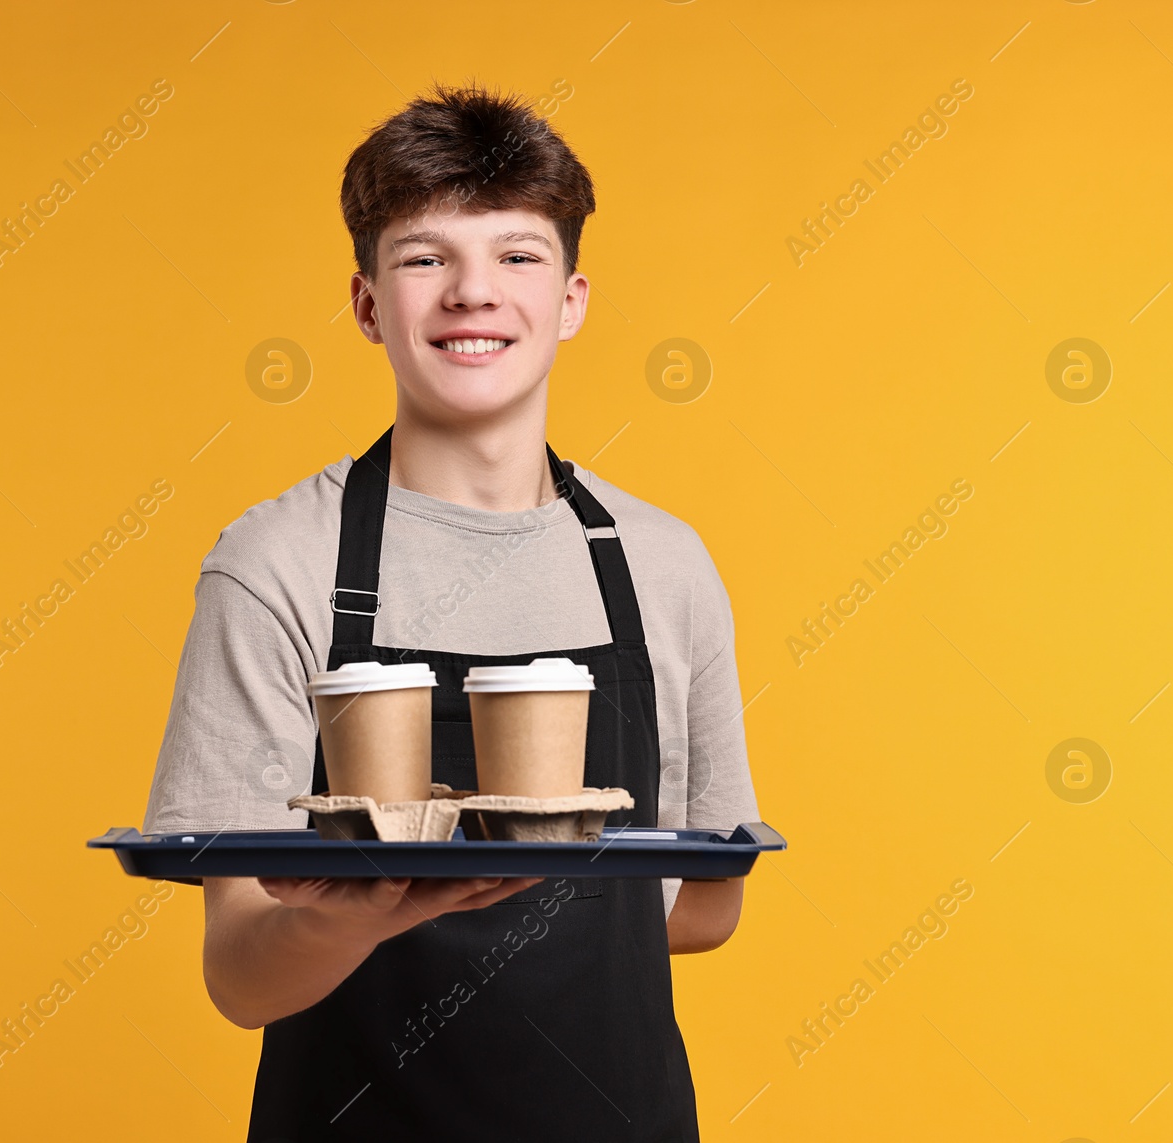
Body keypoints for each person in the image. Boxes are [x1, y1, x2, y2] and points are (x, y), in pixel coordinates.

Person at [142, 81, 760, 1142]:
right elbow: (239, 973)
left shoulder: (663, 565)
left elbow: (709, 900)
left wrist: (539, 902)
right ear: (369, 303)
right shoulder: (277, 563)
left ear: (570, 298)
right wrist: (368, 919)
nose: (474, 292)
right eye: (426, 257)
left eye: (517, 255)